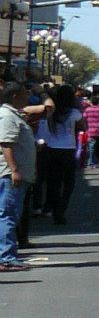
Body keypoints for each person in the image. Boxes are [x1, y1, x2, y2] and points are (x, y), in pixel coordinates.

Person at [0, 85, 39, 272]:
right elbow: (6, 144)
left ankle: (7, 255)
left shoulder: (14, 115)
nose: (28, 97)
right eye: (25, 93)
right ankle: (6, 258)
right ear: (15, 96)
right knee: (8, 214)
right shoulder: (8, 116)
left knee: (10, 214)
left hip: (18, 174)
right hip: (11, 175)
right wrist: (14, 169)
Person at [34, 83, 83, 224]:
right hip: (68, 150)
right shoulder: (74, 113)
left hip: (52, 149)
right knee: (69, 182)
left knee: (53, 182)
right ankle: (61, 209)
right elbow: (83, 127)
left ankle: (52, 208)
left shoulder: (52, 113)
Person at [78, 89, 99, 171]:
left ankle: (91, 162)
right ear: (98, 102)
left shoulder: (88, 110)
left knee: (91, 147)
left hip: (91, 131)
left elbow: (83, 118)